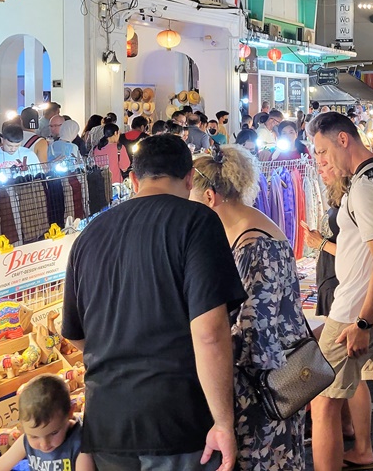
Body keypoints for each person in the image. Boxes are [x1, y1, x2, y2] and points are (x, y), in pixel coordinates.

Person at [63, 134, 247, 470]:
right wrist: (223, 423)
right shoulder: (196, 221)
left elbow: (74, 333)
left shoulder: (88, 235)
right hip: (175, 420)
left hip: (108, 421)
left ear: (133, 179)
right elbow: (209, 332)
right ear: (190, 177)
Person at [191, 145, 307, 471]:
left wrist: (208, 344)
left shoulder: (255, 243)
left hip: (264, 388)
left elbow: (255, 332)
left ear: (210, 197)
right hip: (266, 380)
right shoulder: (241, 230)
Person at [306, 112, 373, 471]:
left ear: (343, 139)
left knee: (322, 401)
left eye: (322, 150)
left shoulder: (366, 186)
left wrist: (362, 323)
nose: (321, 159)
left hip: (357, 310)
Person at [0, 374, 92, 471]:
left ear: (70, 413)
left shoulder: (80, 445)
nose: (44, 444)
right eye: (34, 436)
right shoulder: (26, 440)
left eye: (54, 433)